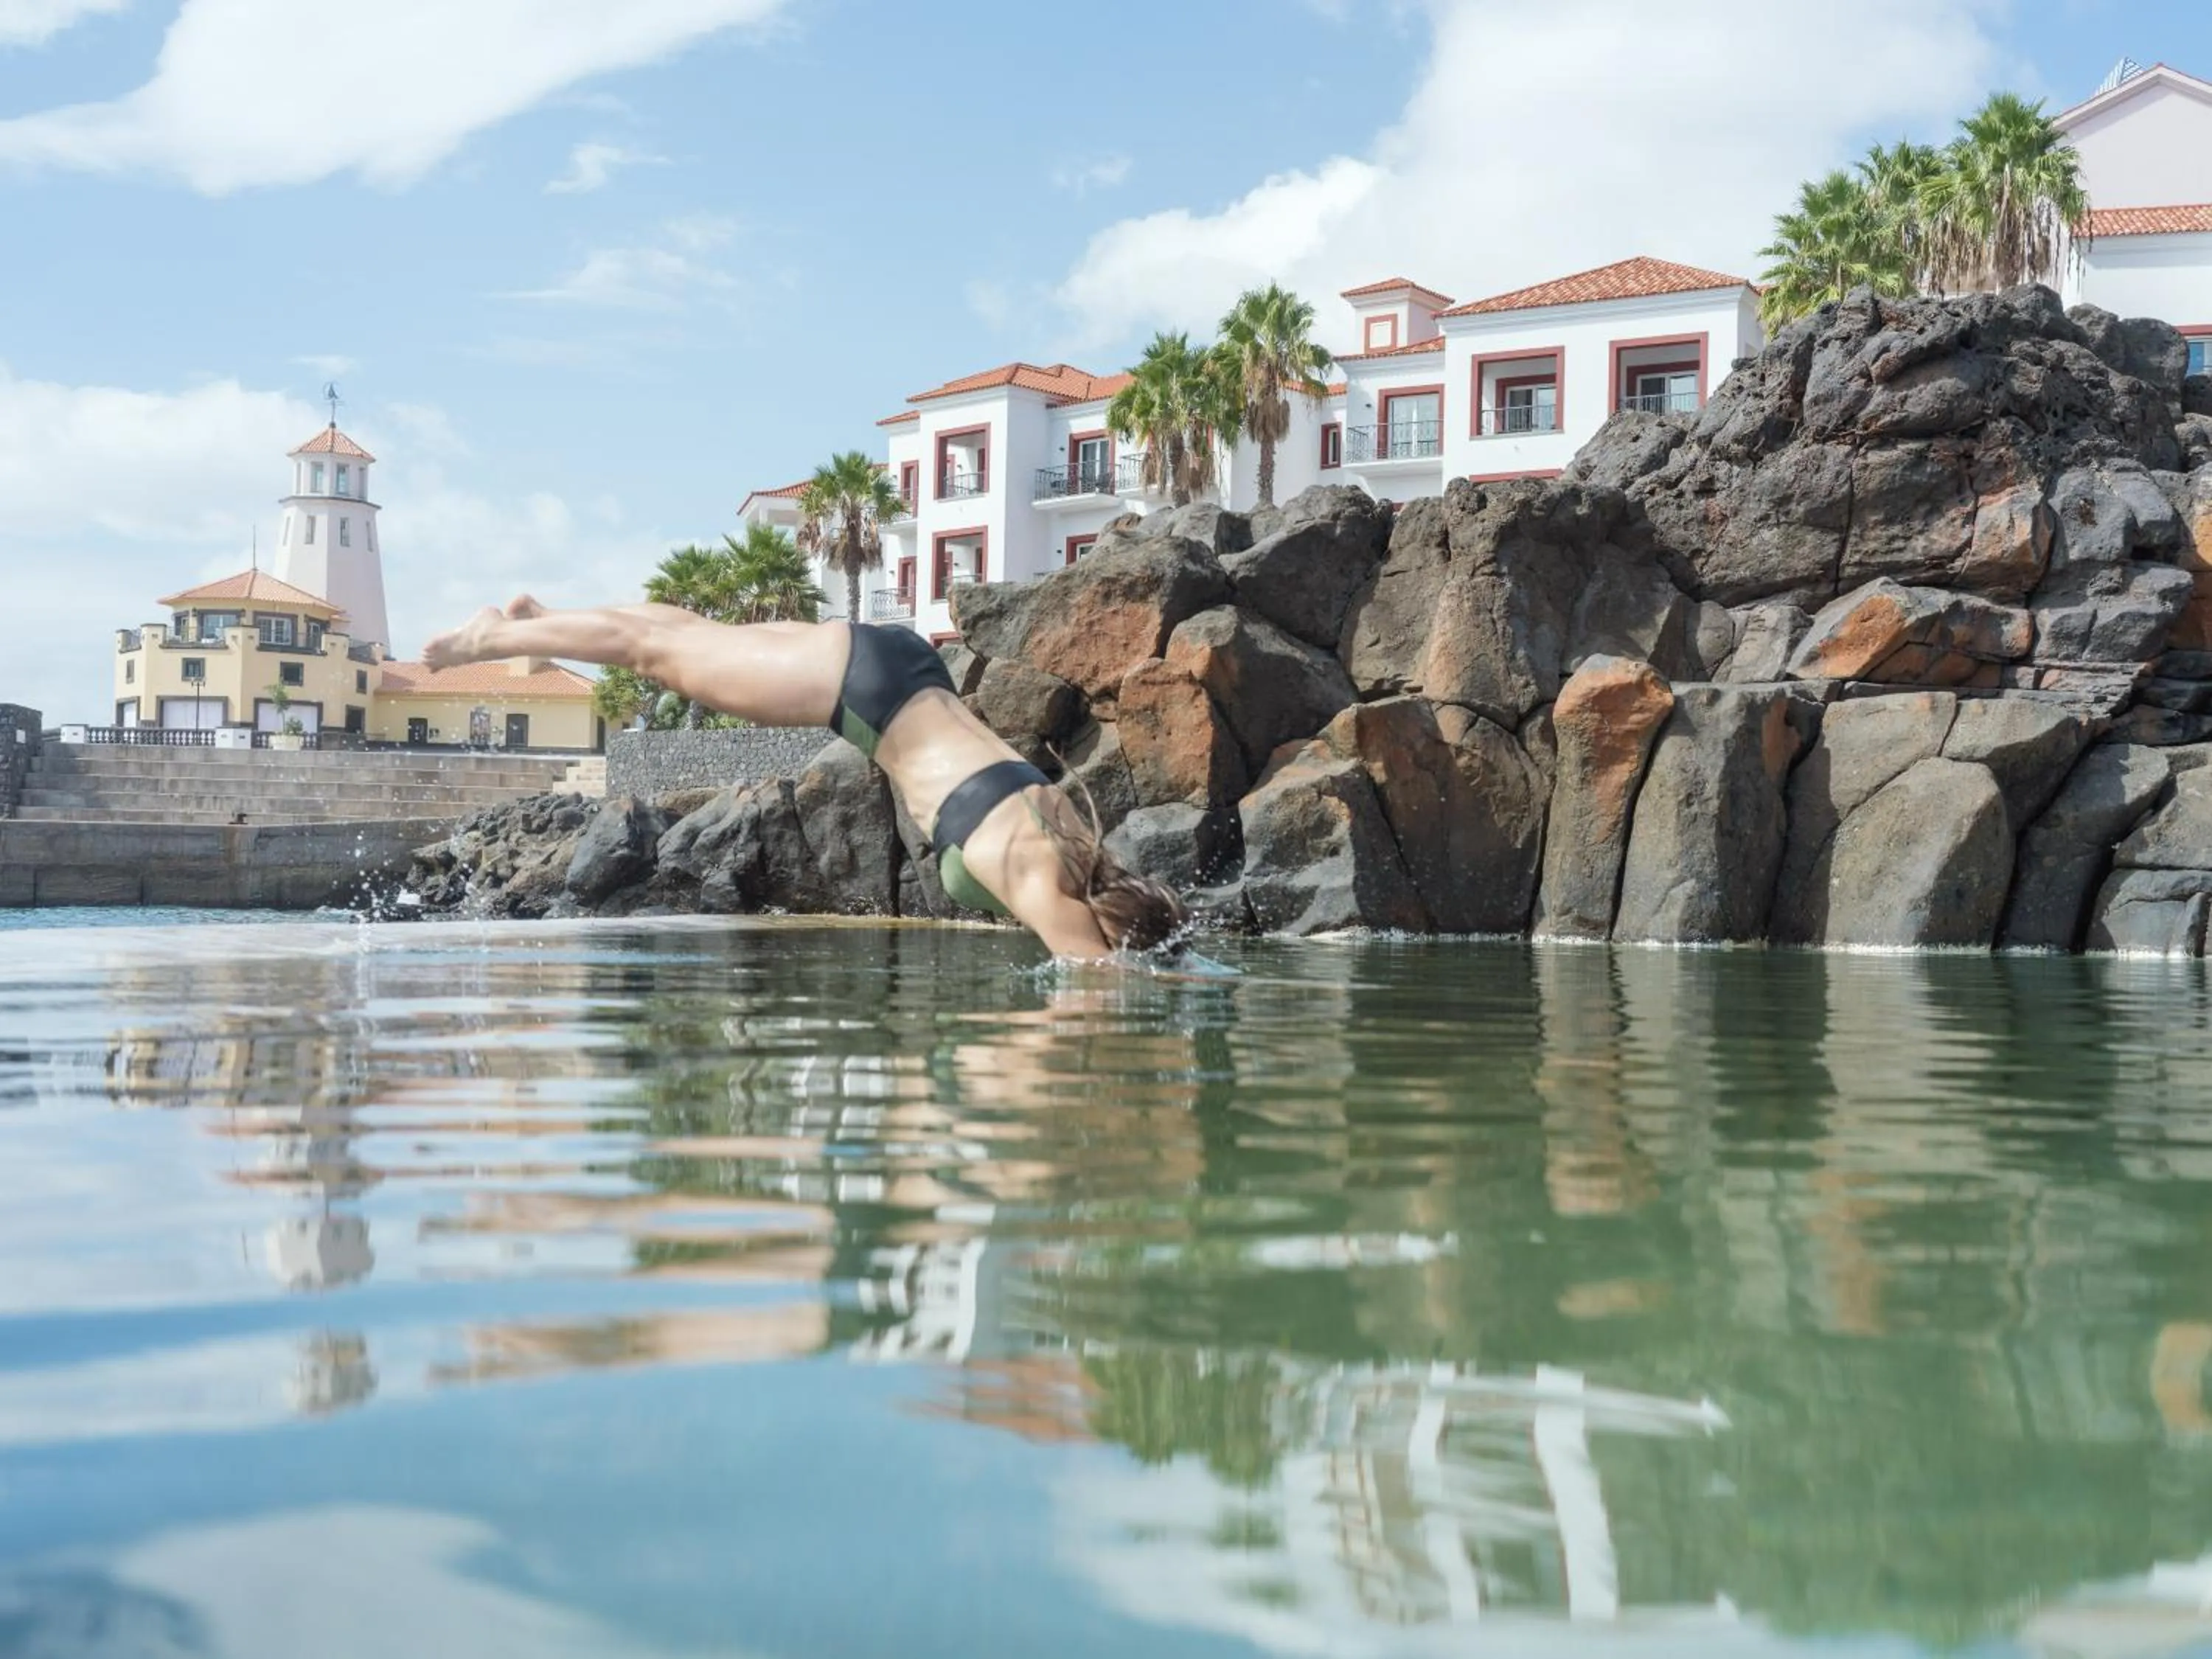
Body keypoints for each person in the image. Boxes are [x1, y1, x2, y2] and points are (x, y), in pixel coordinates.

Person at [423, 598, 1189, 959]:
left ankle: (539, 615)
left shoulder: (1078, 844)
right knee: (656, 652)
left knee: (685, 636)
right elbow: (1092, 994)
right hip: (868, 693)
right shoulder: (1045, 886)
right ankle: (493, 635)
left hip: (907, 671)